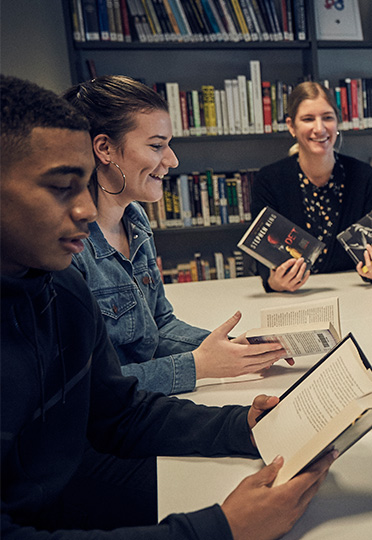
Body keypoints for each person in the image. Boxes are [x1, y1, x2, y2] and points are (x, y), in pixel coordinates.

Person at [1, 74, 335, 540]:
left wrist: (244, 424)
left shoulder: (61, 288)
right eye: (61, 187)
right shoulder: (68, 271)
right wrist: (221, 529)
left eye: (83, 186)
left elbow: (117, 410)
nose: (84, 210)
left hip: (70, 478)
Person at [63, 75, 289, 395]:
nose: (172, 160)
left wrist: (237, 350)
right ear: (104, 149)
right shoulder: (66, 250)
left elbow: (160, 326)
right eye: (157, 146)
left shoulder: (135, 218)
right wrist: (200, 365)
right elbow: (89, 386)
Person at [252, 81, 372, 292]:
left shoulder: (364, 177)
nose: (320, 128)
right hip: (293, 299)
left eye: (327, 117)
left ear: (337, 122)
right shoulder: (268, 180)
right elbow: (264, 256)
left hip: (355, 295)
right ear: (291, 126)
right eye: (308, 119)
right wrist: (274, 283)